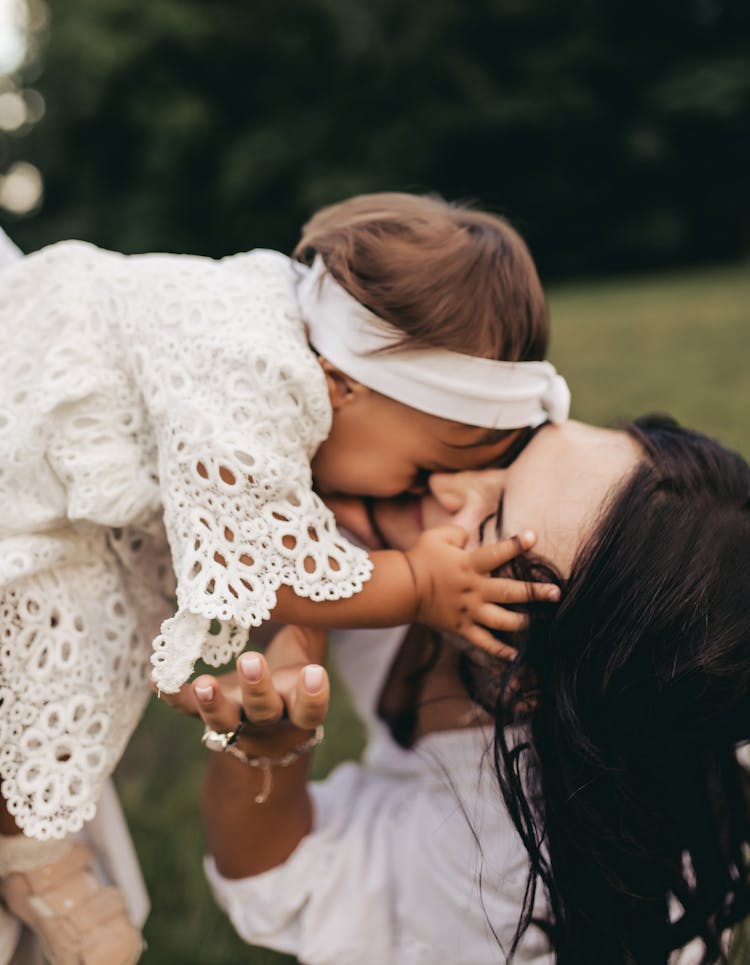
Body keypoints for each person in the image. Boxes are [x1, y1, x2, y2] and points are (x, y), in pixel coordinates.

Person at [0, 196, 565, 962]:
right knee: (49, 619)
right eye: (422, 467)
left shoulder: (285, 322)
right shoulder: (256, 370)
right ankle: (33, 853)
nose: (416, 497)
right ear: (348, 387)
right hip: (26, 428)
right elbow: (259, 563)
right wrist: (418, 585)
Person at [178, 416, 750, 965]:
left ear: (527, 684)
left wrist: (270, 748)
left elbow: (276, 879)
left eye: (495, 519)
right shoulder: (479, 499)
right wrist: (305, 607)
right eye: (525, 446)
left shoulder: (491, 869)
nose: (453, 481)